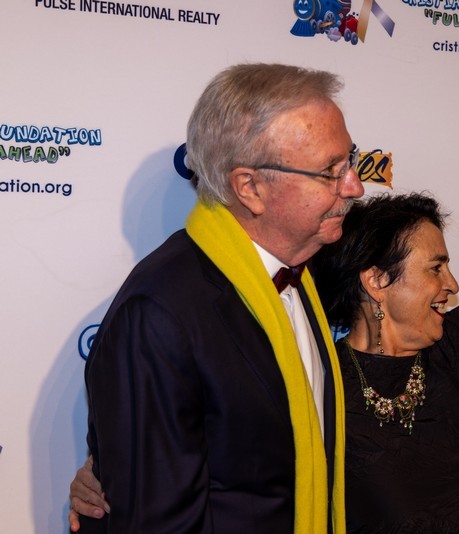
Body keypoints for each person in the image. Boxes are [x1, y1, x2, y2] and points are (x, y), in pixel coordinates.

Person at [71, 120, 459, 532]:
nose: (452, 285)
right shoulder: (317, 382)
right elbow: (211, 465)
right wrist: (103, 479)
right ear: (376, 281)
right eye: (434, 267)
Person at [73, 63, 365, 533]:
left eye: (349, 161)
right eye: (330, 172)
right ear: (250, 188)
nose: (355, 186)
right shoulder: (159, 315)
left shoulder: (303, 274)